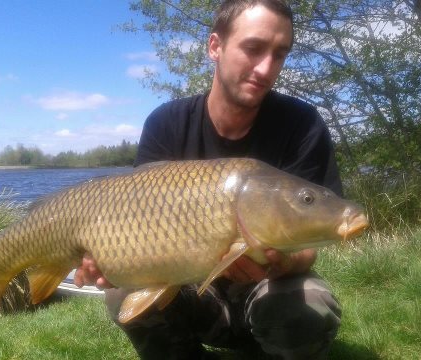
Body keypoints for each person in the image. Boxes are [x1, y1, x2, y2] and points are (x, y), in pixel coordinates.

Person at [75, 0, 343, 358]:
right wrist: (110, 262)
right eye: (253, 48)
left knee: (308, 303)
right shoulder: (166, 123)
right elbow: (132, 223)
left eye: (280, 54)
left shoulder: (303, 125)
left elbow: (308, 246)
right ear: (215, 47)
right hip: (195, 293)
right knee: (121, 290)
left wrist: (284, 262)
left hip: (270, 291)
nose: (266, 68)